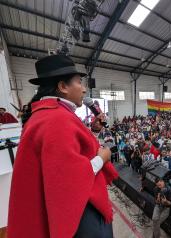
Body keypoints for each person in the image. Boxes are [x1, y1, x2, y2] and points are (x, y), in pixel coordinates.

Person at [8, 55, 119, 238]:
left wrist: (95, 131)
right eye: (79, 82)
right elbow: (71, 176)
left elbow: (71, 153)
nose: (84, 89)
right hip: (79, 213)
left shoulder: (50, 113)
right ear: (62, 87)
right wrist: (103, 157)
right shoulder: (56, 118)